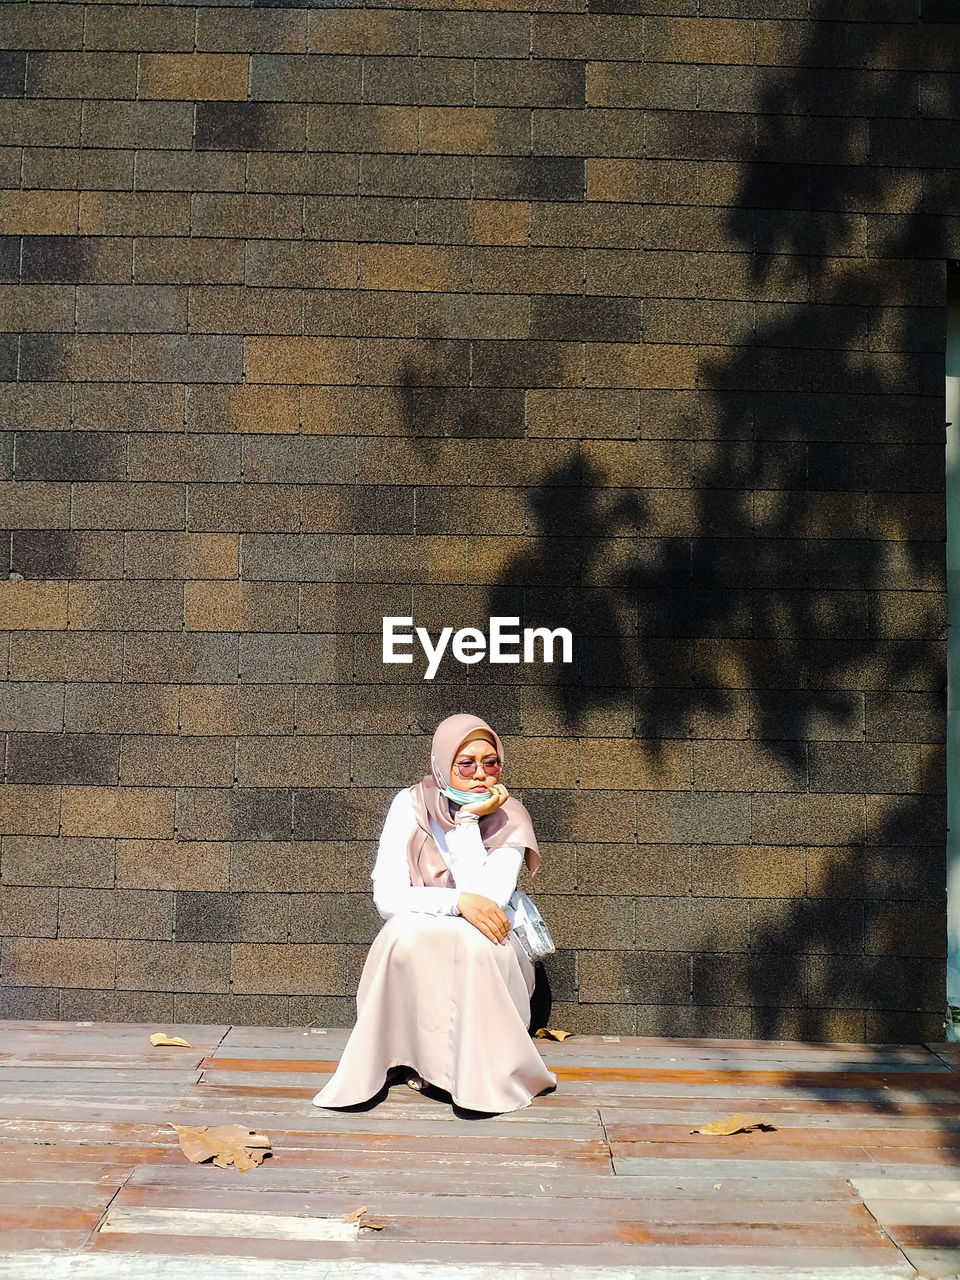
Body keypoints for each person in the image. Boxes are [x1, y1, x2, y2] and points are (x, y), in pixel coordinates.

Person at [312, 713, 557, 1114]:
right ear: (443, 763)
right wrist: (454, 902)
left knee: (472, 943)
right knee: (399, 935)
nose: (481, 773)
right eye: (466, 763)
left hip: (491, 943)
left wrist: (467, 822)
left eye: (491, 762)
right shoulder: (410, 804)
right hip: (437, 931)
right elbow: (388, 898)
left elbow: (488, 901)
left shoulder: (512, 815)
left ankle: (478, 1077)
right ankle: (399, 1060)